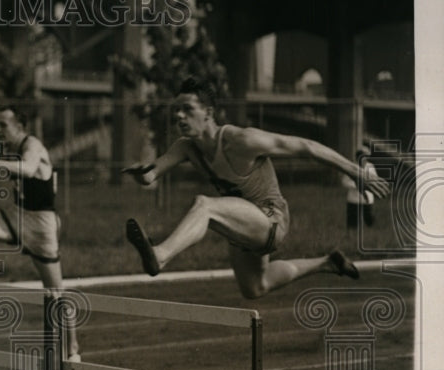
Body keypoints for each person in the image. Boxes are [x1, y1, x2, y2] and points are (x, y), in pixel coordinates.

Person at [123, 78, 391, 299]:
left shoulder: (242, 140)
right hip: (242, 223)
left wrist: (357, 173)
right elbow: (153, 173)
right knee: (255, 286)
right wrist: (142, 174)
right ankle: (327, 263)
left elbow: (306, 147)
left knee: (204, 206)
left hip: (270, 220)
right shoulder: (185, 147)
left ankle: (160, 255)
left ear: (208, 113)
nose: (179, 115)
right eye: (176, 110)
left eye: (187, 109)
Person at [0, 105, 80, 361]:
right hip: (18, 216)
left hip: (41, 226)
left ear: (20, 127)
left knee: (55, 292)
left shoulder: (33, 145)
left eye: (3, 125)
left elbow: (29, 170)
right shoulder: (11, 150)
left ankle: (72, 347)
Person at [341, 148, 377, 230]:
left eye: (365, 157)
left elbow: (374, 180)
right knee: (352, 222)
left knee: (369, 219)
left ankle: (371, 233)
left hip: (367, 199)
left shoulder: (370, 167)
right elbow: (344, 182)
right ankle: (352, 233)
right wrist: (357, 185)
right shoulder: (351, 167)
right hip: (354, 200)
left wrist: (367, 184)